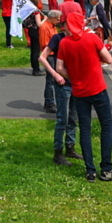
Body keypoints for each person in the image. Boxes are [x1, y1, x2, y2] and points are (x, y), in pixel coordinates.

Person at [56, 12, 112, 182]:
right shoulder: (92, 38)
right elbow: (108, 59)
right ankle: (107, 169)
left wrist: (73, 78)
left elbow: (59, 68)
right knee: (107, 126)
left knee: (85, 129)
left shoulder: (64, 42)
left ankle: (90, 170)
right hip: (97, 87)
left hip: (79, 90)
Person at [39, 13, 81, 166]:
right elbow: (42, 57)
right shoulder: (58, 38)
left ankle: (70, 147)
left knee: (73, 118)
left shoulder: (78, 38)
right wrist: (56, 75)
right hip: (63, 85)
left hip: (75, 83)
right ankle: (58, 152)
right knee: (62, 118)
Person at [38, 10, 63, 112]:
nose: (58, 20)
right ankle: (49, 103)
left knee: (51, 81)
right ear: (51, 18)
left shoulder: (52, 27)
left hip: (54, 55)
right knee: (51, 81)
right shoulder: (45, 27)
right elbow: (45, 44)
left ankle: (49, 102)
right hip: (50, 56)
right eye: (57, 19)